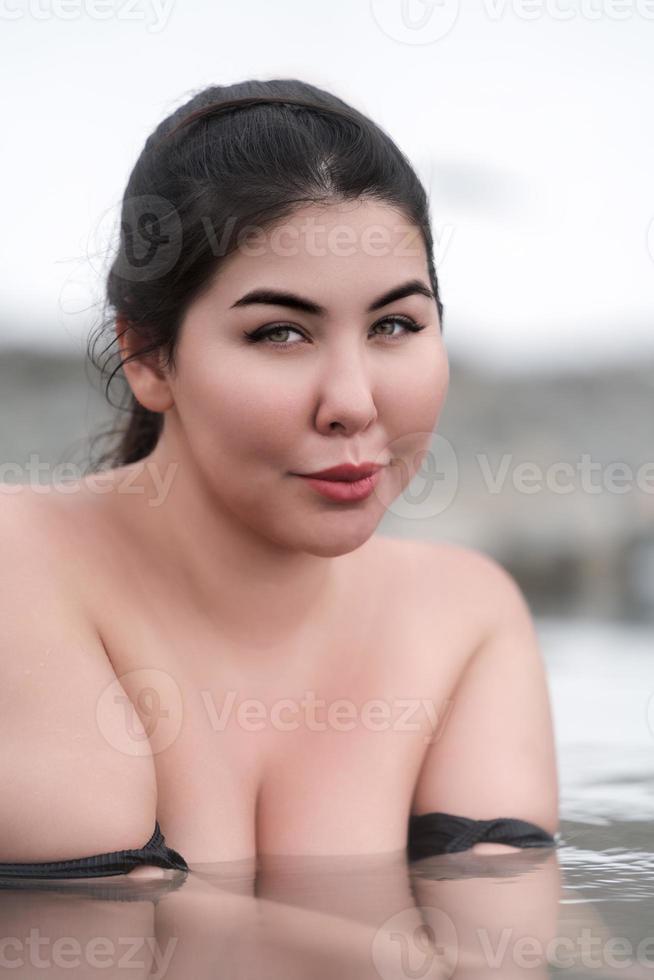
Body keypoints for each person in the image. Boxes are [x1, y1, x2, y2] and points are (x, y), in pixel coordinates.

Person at [0, 78, 559, 879]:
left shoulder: (464, 618)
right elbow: (99, 937)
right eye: (281, 333)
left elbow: (496, 936)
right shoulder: (20, 566)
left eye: (395, 324)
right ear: (148, 357)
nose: (353, 403)